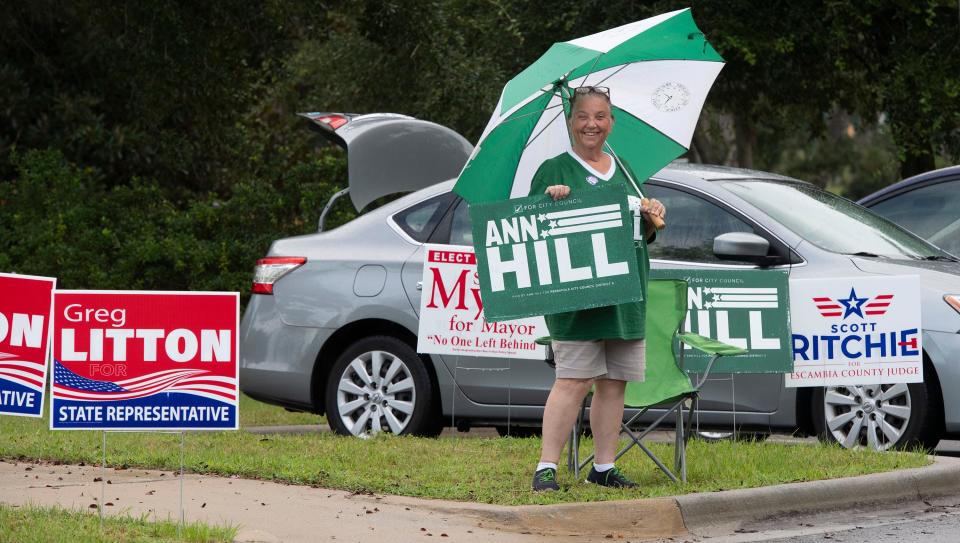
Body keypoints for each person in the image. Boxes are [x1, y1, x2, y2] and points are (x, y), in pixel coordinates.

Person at [528, 85, 666, 491]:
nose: (592, 124)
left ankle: (603, 467)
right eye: (584, 116)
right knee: (571, 381)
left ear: (611, 122)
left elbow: (640, 233)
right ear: (571, 122)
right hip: (577, 301)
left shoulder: (624, 169)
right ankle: (546, 467)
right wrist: (548, 201)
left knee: (614, 384)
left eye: (600, 116)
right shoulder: (554, 169)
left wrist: (651, 213)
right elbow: (529, 228)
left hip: (626, 297)